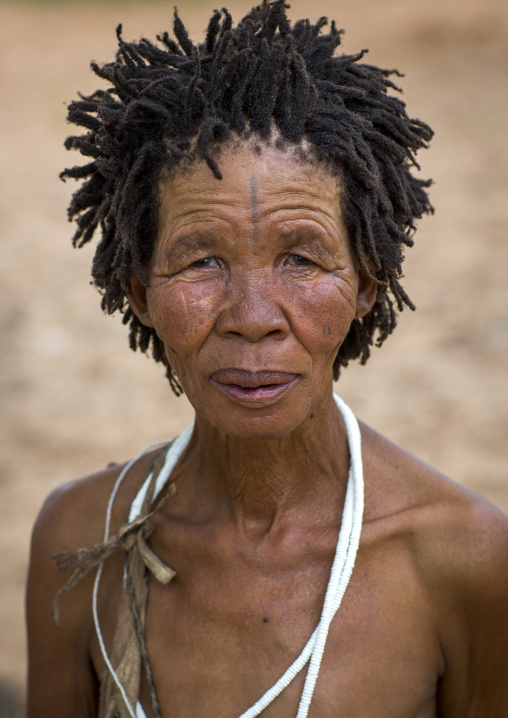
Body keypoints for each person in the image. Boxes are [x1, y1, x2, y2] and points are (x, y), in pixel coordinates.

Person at [26, 2, 508, 716]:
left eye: (301, 257)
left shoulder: (463, 560)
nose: (253, 318)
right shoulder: (79, 543)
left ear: (367, 285)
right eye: (201, 261)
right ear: (139, 292)